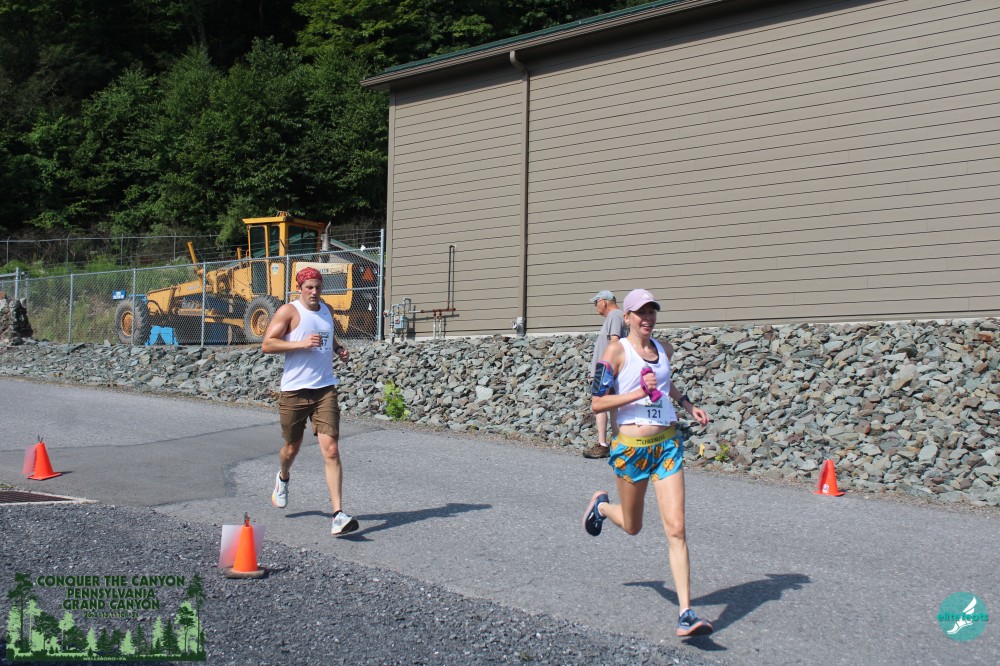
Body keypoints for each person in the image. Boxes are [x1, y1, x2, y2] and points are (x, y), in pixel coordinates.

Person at [583, 288, 714, 637]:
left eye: (652, 311)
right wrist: (639, 393)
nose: (648, 318)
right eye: (641, 312)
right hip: (631, 450)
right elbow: (597, 403)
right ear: (626, 317)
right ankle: (601, 507)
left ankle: (686, 613)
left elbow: (667, 384)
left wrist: (688, 405)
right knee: (632, 526)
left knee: (677, 528)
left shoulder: (663, 349)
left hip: (667, 447)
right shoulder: (616, 352)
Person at [262, 266, 358, 536]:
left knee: (331, 449)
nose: (314, 292)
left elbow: (328, 334)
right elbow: (267, 344)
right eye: (309, 288)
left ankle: (338, 515)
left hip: (324, 389)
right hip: (294, 391)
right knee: (292, 448)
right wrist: (300, 344)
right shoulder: (288, 312)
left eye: (318, 287)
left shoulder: (326, 309)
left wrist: (339, 349)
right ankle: (283, 477)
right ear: (299, 289)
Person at [582, 290, 628, 459]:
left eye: (596, 303)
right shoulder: (617, 316)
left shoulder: (614, 316)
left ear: (604, 301)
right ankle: (618, 444)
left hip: (606, 370)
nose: (596, 307)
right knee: (614, 406)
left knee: (600, 405)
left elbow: (615, 341)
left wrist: (607, 368)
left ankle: (603, 444)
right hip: (610, 369)